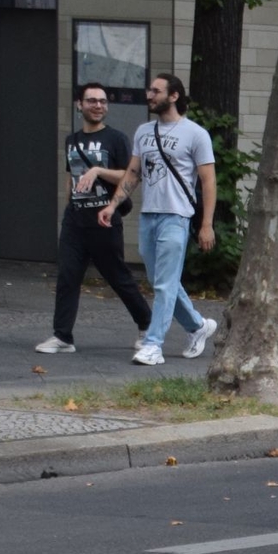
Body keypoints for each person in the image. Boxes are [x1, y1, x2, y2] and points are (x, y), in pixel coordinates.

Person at [100, 72, 218, 366]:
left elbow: (208, 182)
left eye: (155, 91)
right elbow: (133, 173)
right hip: (148, 215)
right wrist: (113, 205)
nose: (149, 95)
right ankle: (197, 326)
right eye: (149, 90)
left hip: (177, 216)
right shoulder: (143, 132)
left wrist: (206, 225)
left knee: (165, 284)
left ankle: (153, 345)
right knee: (159, 280)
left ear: (174, 96)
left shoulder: (195, 134)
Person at [36, 82, 150, 355]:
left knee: (118, 277)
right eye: (91, 101)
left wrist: (98, 170)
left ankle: (147, 326)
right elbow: (70, 177)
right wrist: (69, 207)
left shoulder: (117, 138)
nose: (98, 105)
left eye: (102, 101)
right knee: (67, 277)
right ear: (79, 105)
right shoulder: (71, 141)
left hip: (105, 219)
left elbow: (129, 176)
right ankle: (62, 336)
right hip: (75, 220)